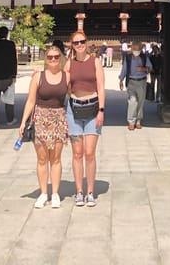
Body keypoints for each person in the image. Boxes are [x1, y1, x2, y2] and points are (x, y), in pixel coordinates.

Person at [19, 44, 69, 209]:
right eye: (50, 57)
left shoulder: (66, 77)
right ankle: (43, 193)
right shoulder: (38, 77)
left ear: (60, 58)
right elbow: (31, 101)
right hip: (40, 118)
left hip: (58, 118)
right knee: (42, 159)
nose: (53, 60)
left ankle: (55, 193)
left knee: (56, 158)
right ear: (46, 59)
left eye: (56, 57)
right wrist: (23, 122)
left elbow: (75, 96)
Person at [66, 30, 105, 207]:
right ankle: (79, 191)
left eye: (82, 41)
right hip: (74, 109)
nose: (80, 45)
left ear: (87, 43)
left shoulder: (95, 61)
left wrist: (101, 111)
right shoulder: (69, 63)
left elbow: (101, 87)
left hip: (92, 107)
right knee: (77, 153)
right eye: (76, 43)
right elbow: (63, 84)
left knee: (89, 153)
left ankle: (90, 191)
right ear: (72, 46)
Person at [118, 40, 152, 130]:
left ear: (141, 49)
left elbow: (150, 68)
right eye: (134, 49)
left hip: (142, 82)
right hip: (131, 81)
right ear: (132, 48)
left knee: (140, 102)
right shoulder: (128, 58)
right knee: (132, 101)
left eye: (138, 49)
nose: (136, 51)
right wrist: (121, 80)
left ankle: (138, 121)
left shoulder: (144, 57)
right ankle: (131, 121)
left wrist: (143, 68)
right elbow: (124, 69)